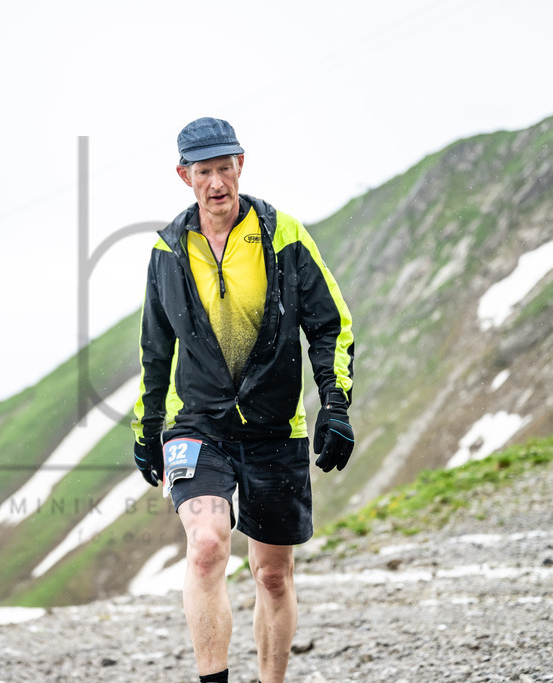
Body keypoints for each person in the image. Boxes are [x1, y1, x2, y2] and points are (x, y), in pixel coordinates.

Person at [132, 117, 355, 683]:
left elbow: (330, 326)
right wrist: (147, 429)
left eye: (224, 168)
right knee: (207, 544)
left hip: (276, 428)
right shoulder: (168, 251)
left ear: (241, 166)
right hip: (198, 427)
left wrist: (334, 404)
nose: (216, 183)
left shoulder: (285, 237)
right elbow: (155, 352)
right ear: (184, 176)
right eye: (203, 172)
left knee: (272, 575)